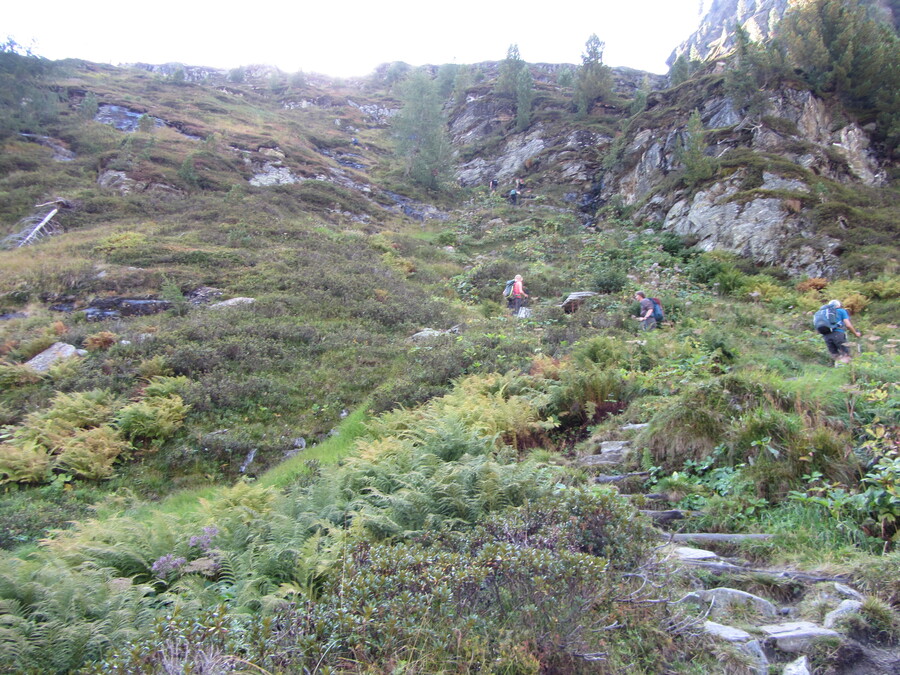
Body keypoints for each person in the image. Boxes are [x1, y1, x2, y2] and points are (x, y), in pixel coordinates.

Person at [819, 299, 861, 364]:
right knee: (845, 354)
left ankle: (837, 369)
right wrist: (855, 333)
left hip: (826, 335)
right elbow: (848, 325)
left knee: (835, 354)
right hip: (838, 334)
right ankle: (848, 371)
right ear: (839, 305)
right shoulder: (841, 311)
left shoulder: (824, 312)